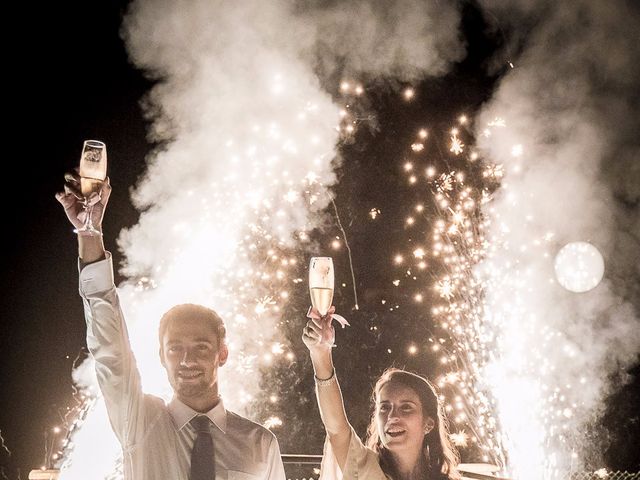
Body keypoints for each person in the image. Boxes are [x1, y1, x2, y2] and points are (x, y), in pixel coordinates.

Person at [56, 173, 286, 480]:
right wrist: (90, 234)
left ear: (223, 353)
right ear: (161, 356)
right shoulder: (140, 421)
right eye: (175, 348)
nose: (187, 360)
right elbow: (109, 347)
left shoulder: (260, 444)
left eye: (201, 348)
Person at [302, 306, 460, 480]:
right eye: (384, 407)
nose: (392, 416)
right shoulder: (364, 469)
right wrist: (321, 353)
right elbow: (336, 428)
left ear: (429, 424)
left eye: (406, 407)